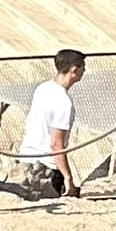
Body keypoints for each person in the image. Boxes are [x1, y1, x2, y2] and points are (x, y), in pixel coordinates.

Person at [15, 48, 87, 201]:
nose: (84, 71)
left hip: (26, 160)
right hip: (47, 168)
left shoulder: (43, 88)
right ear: (74, 70)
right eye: (82, 67)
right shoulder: (64, 103)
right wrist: (68, 178)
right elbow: (56, 144)